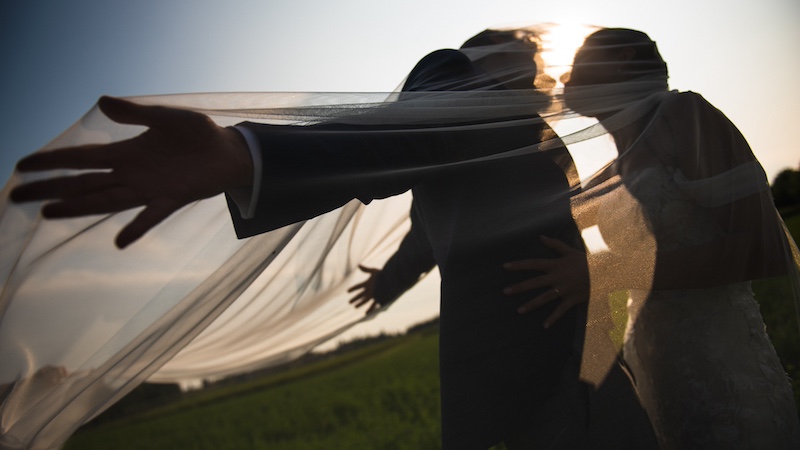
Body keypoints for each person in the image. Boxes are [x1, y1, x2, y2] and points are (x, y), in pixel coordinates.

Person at [11, 29, 596, 449]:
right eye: (516, 47)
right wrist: (247, 155)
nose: (534, 55)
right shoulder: (457, 74)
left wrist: (595, 268)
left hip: (564, 333)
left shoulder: (530, 131)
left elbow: (458, 214)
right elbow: (412, 140)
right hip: (502, 352)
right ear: (484, 53)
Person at [502, 28, 800, 448]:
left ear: (622, 58)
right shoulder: (615, 169)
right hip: (655, 374)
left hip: (723, 376)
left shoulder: (686, 117)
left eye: (581, 60)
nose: (566, 76)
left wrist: (602, 274)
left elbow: (763, 250)